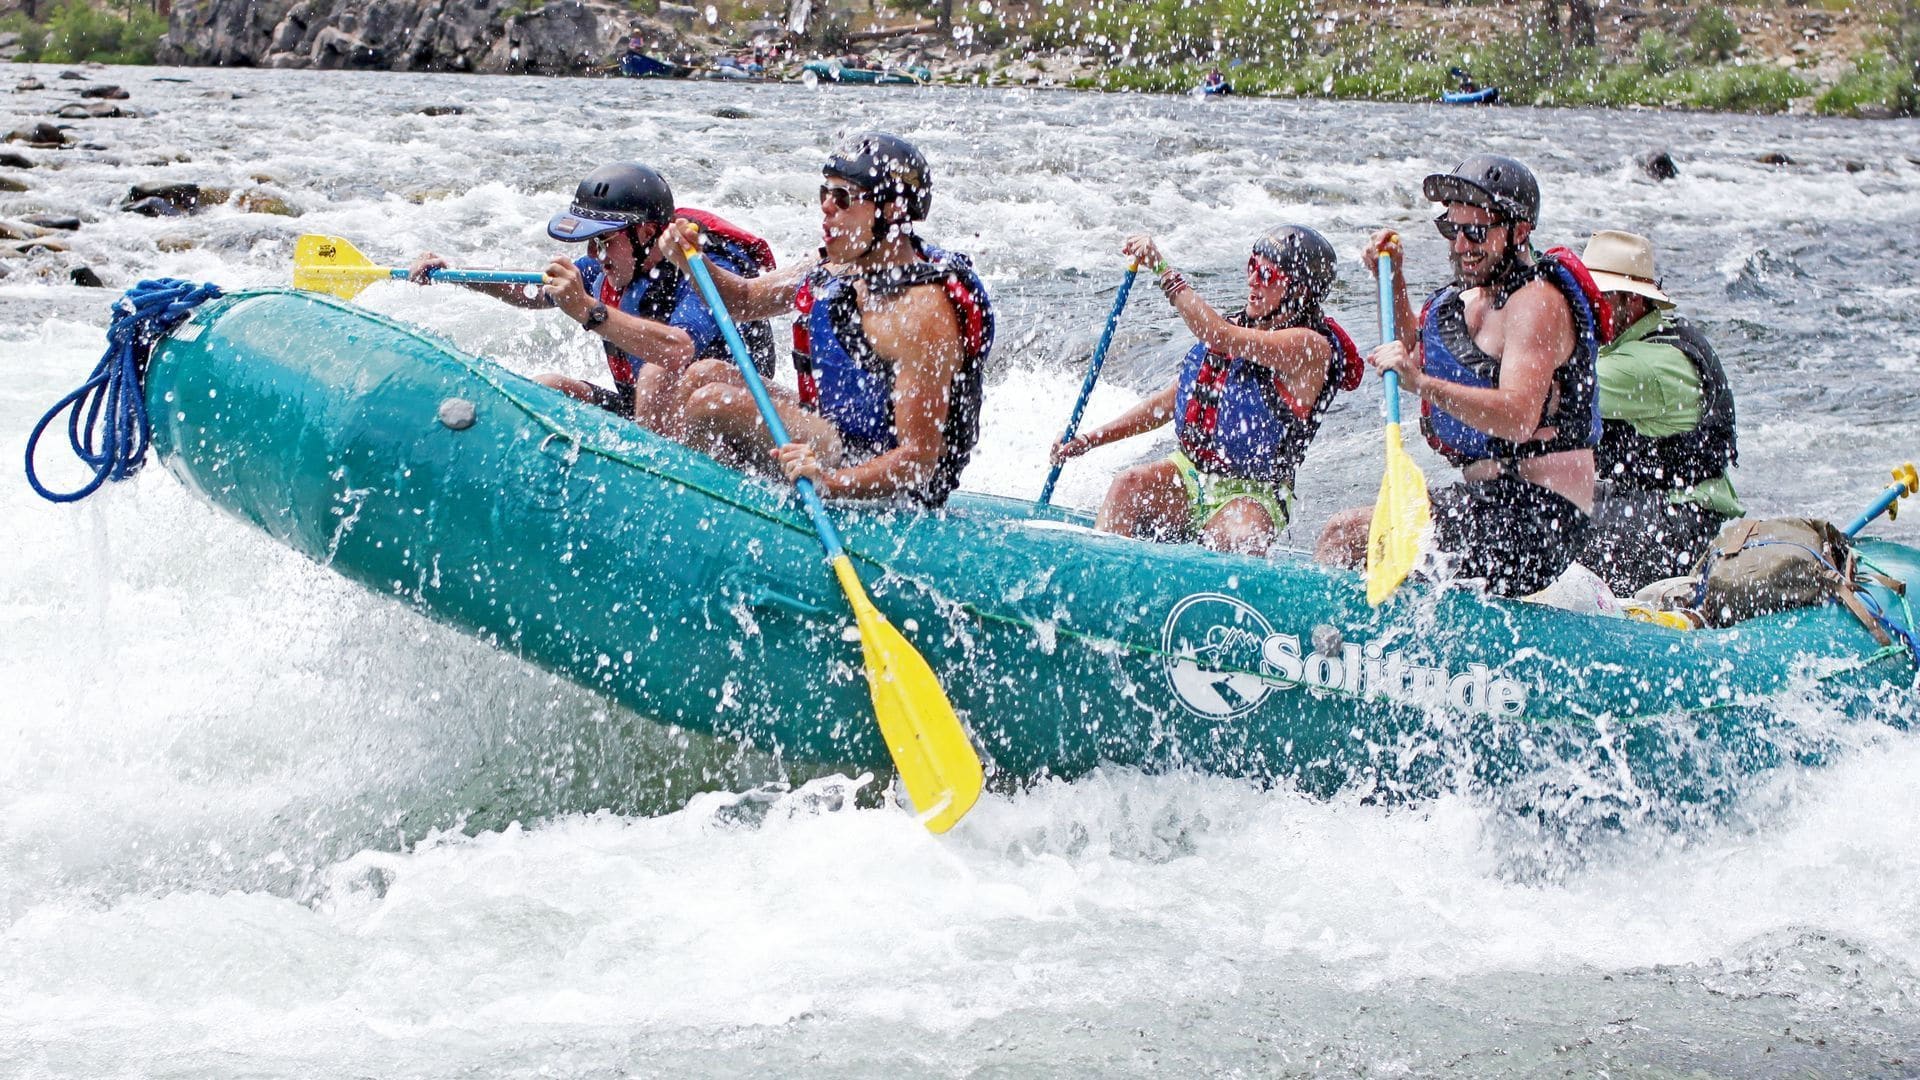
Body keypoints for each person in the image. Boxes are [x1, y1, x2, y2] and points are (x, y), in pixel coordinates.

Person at [1315, 154, 1607, 597]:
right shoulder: (1471, 295)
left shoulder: (1537, 304)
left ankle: (1320, 647)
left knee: (1347, 535)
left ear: (1520, 231)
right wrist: (1390, 277)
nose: (1460, 246)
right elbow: (1414, 349)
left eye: (1476, 232)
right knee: (1369, 543)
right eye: (1453, 230)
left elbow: (1518, 418)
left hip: (1538, 520)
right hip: (1489, 505)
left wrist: (1421, 384)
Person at [664, 131, 993, 508]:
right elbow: (742, 300)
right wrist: (691, 261)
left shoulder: (920, 312)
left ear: (892, 212)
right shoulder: (840, 268)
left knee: (712, 403)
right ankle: (715, 497)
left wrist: (830, 483)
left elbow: (918, 460)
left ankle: (709, 514)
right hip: (838, 430)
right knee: (702, 374)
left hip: (876, 469)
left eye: (843, 198)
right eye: (825, 193)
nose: (826, 207)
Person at [1049, 226, 1362, 556]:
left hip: (1255, 492)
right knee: (1128, 485)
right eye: (1251, 266)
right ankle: (1100, 576)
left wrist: (1161, 268)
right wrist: (1089, 440)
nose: (1253, 280)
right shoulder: (1235, 327)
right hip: (1191, 474)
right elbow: (1167, 404)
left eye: (1267, 273)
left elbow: (1218, 335)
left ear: (1298, 291)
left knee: (1235, 537)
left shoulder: (1308, 347)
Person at [409, 163, 777, 434]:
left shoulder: (703, 266)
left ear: (646, 232)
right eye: (592, 242)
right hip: (650, 419)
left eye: (604, 241)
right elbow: (532, 292)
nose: (595, 254)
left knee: (654, 371)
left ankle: (655, 485)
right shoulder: (609, 266)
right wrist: (458, 274)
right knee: (549, 386)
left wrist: (588, 310)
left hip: (724, 422)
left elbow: (676, 350)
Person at [1576, 229, 1743, 595]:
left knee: (1544, 522)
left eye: (1595, 298)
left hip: (1679, 528)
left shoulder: (1642, 366)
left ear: (1632, 302)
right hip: (1662, 509)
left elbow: (1543, 392)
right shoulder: (1645, 339)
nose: (1582, 308)